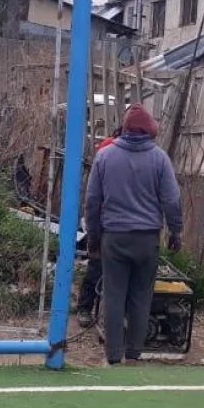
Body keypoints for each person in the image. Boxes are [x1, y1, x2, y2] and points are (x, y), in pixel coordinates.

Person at [84, 104, 183, 365]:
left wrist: (93, 236)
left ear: (125, 128)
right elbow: (172, 200)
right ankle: (134, 352)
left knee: (114, 294)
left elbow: (92, 201)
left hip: (114, 237)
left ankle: (113, 355)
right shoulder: (160, 158)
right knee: (141, 295)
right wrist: (175, 231)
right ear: (149, 130)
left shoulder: (105, 156)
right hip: (147, 238)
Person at [76, 128, 121, 328]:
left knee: (100, 267)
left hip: (113, 220)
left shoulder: (112, 150)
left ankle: (93, 309)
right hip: (106, 220)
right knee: (97, 266)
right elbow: (95, 196)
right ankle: (86, 308)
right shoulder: (110, 150)